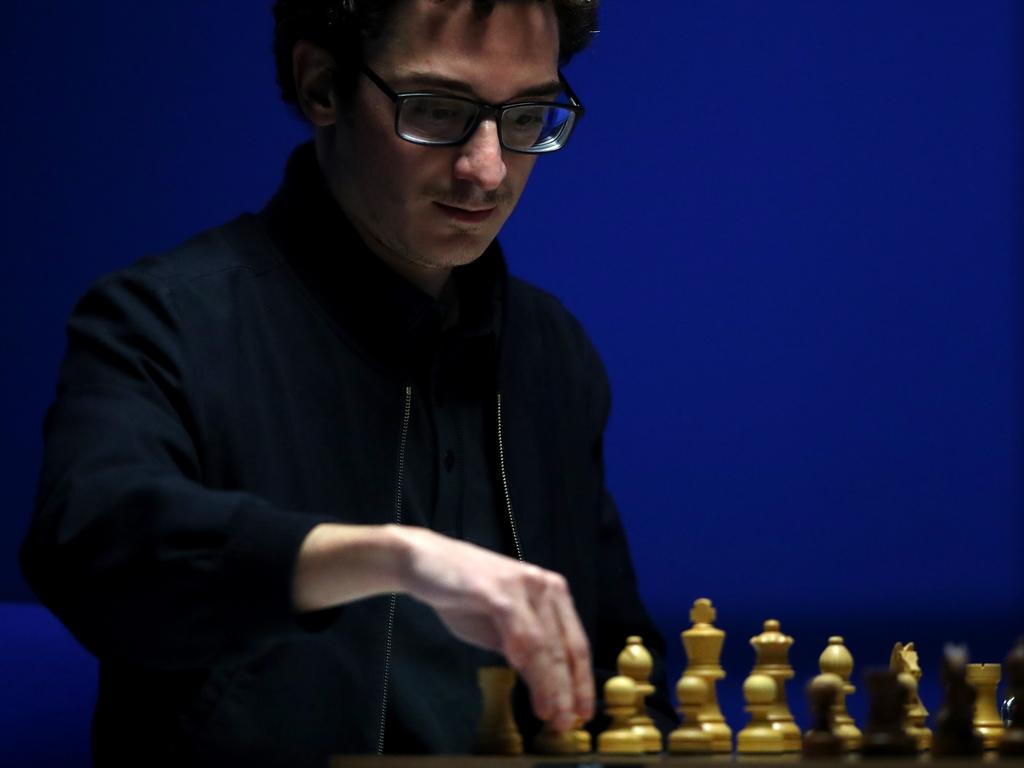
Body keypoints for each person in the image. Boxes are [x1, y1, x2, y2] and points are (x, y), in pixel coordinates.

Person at [21, 0, 674, 764]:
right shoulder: (162, 320)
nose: (488, 169)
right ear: (321, 86)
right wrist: (390, 558)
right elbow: (96, 552)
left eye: (528, 115)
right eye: (437, 110)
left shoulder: (551, 350)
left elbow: (619, 671)